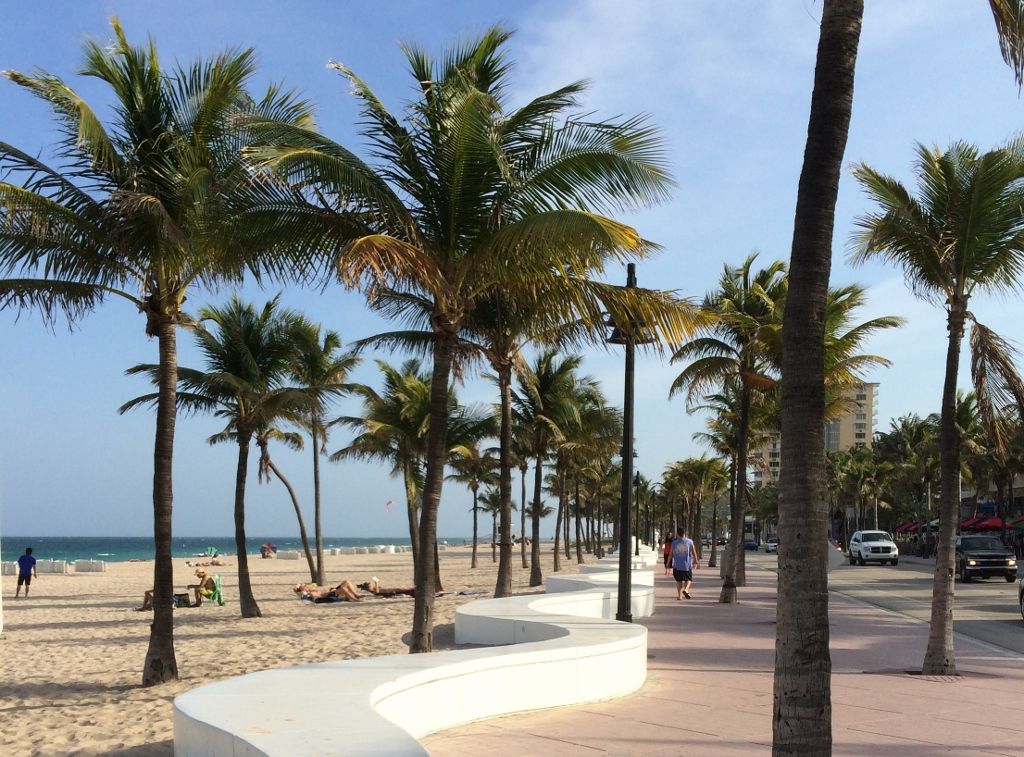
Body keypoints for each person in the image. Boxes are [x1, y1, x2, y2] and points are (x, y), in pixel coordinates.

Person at [671, 527, 698, 600]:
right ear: (684, 533)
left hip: (677, 565)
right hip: (687, 565)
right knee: (688, 579)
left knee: (679, 581)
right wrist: (696, 561)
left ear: (677, 534)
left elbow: (671, 554)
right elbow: (694, 552)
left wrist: (668, 563)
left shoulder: (674, 543)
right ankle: (686, 590)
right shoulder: (690, 542)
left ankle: (679, 596)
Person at [293, 580, 362, 602]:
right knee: (343, 589)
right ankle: (354, 599)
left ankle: (356, 595)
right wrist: (330, 591)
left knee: (347, 581)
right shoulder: (309, 593)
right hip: (329, 595)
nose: (306, 585)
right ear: (303, 589)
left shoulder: (312, 589)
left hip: (331, 592)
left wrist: (331, 590)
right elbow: (321, 596)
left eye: (305, 585)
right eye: (304, 586)